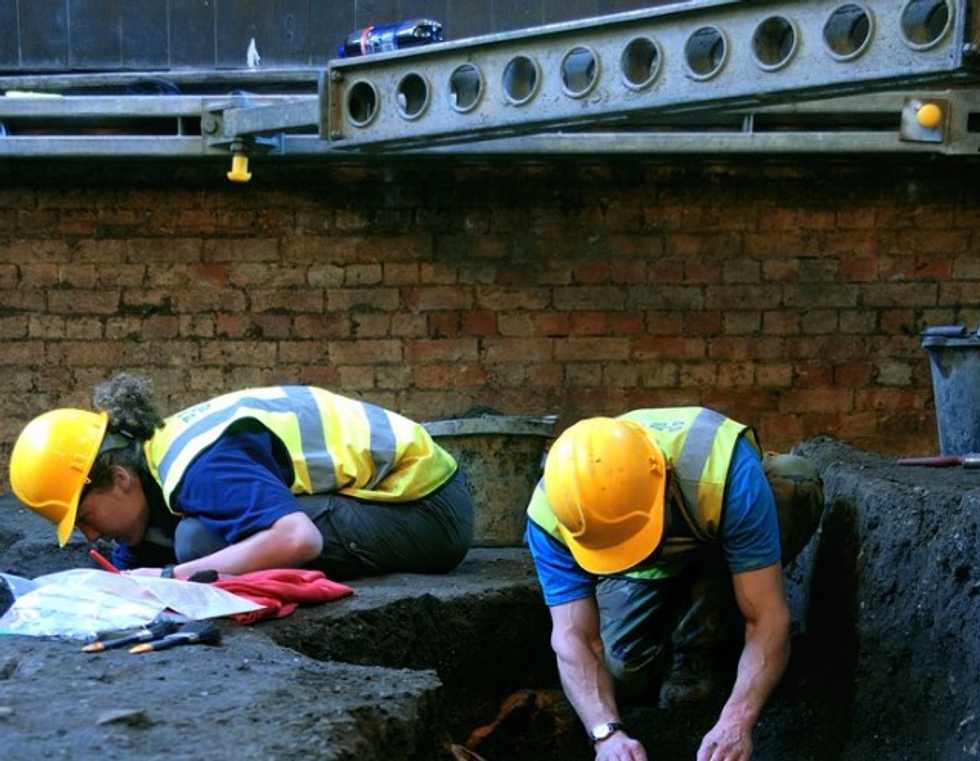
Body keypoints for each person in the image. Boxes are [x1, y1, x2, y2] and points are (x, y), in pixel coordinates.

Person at [525, 407, 823, 761]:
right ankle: (672, 614)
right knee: (621, 677)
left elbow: (768, 617)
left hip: (716, 541)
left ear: (664, 480)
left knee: (792, 485)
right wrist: (606, 734)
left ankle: (710, 634)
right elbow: (574, 637)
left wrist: (736, 722)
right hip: (639, 574)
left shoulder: (725, 472)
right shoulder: (553, 513)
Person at [9, 373, 473, 580]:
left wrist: (173, 575)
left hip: (428, 511)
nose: (89, 535)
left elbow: (299, 539)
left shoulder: (198, 468)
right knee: (187, 540)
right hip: (409, 502)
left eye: (85, 516)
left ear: (120, 479)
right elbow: (138, 553)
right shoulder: (154, 461)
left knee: (199, 544)